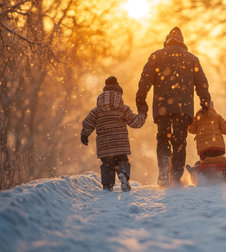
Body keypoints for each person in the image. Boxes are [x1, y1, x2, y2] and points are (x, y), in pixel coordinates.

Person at [136, 26, 211, 187]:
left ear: (167, 40)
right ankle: (176, 177)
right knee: (179, 141)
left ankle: (164, 165)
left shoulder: (156, 56)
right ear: (182, 41)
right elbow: (202, 83)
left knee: (163, 138)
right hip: (183, 109)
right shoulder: (191, 59)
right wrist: (205, 103)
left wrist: (141, 101)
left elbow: (145, 80)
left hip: (162, 107)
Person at [81, 76, 147, 191]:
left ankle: (107, 185)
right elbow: (136, 123)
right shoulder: (123, 109)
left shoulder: (96, 111)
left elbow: (87, 123)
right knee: (122, 161)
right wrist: (143, 113)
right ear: (119, 94)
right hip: (120, 144)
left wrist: (84, 135)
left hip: (105, 146)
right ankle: (123, 174)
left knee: (107, 165)